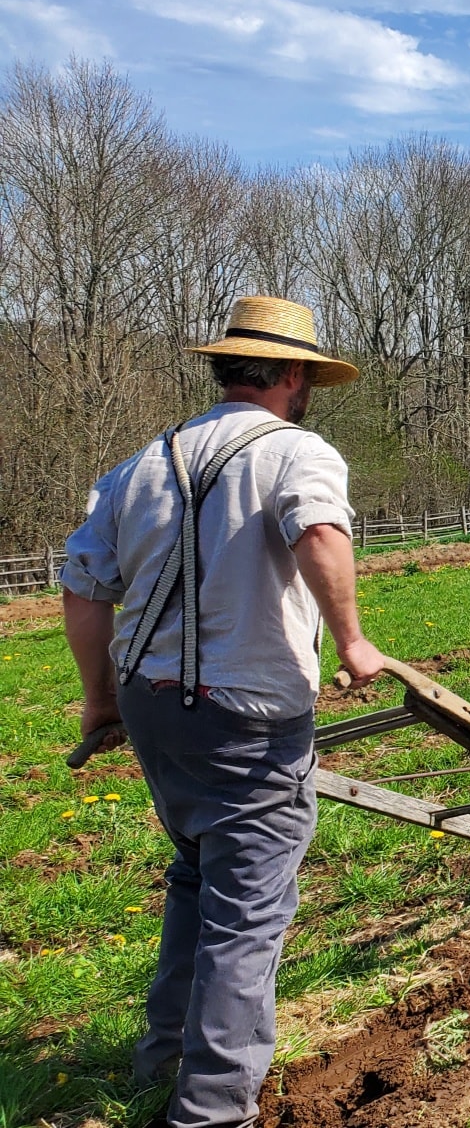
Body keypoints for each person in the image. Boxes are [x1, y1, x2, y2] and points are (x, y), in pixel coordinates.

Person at [61, 296, 385, 1128]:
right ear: (287, 376)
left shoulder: (143, 462)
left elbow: (84, 587)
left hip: (148, 704)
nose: (307, 388)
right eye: (306, 374)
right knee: (249, 911)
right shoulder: (296, 452)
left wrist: (101, 700)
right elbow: (318, 533)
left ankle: (164, 1051)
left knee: (195, 872)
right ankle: (211, 1113)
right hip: (245, 711)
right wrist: (353, 643)